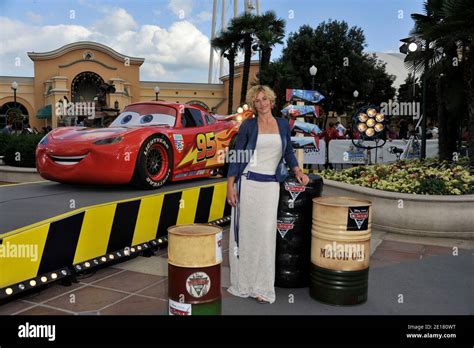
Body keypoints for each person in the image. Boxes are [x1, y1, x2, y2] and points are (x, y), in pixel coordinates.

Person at [226, 85, 309, 304]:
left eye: (265, 99)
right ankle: (244, 283)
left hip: (270, 187)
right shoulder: (248, 125)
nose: (262, 104)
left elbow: (288, 151)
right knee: (246, 235)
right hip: (248, 184)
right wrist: (230, 186)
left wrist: (298, 171)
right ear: (253, 104)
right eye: (257, 100)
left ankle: (262, 286)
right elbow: (237, 155)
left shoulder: (282, 124)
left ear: (272, 102)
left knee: (265, 235)